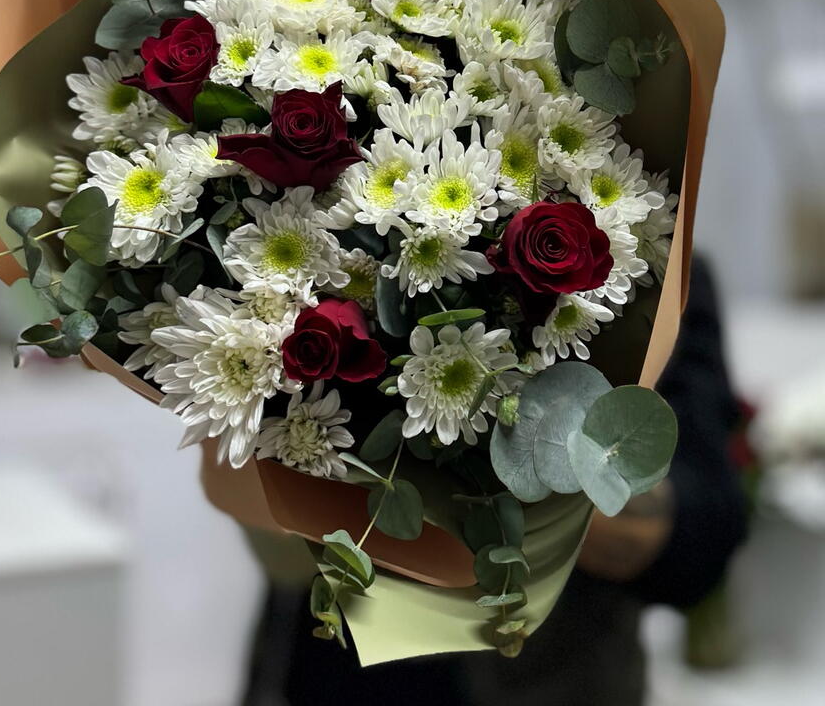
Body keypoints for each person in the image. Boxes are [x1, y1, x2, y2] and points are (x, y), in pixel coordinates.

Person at [240, 257, 748, 706]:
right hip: (329, 677)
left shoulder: (658, 274)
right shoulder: (331, 255)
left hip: (555, 684)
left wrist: (527, 453)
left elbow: (701, 536)